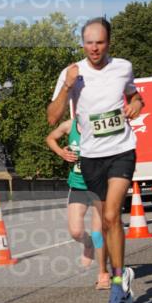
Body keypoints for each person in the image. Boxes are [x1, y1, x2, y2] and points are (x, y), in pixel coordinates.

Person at [47, 17, 144, 303]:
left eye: (100, 42)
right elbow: (52, 117)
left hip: (122, 150)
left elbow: (135, 95)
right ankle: (122, 272)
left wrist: (136, 104)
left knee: (113, 214)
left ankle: (116, 283)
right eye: (89, 42)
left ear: (108, 43)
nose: (94, 48)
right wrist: (67, 86)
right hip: (90, 157)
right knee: (104, 221)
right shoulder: (72, 72)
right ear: (82, 43)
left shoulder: (123, 67)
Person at [45, 117, 109, 289]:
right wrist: (61, 152)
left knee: (98, 233)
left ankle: (103, 273)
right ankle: (87, 244)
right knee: (75, 231)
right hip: (78, 186)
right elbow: (50, 138)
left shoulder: (99, 125)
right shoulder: (69, 125)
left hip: (98, 186)